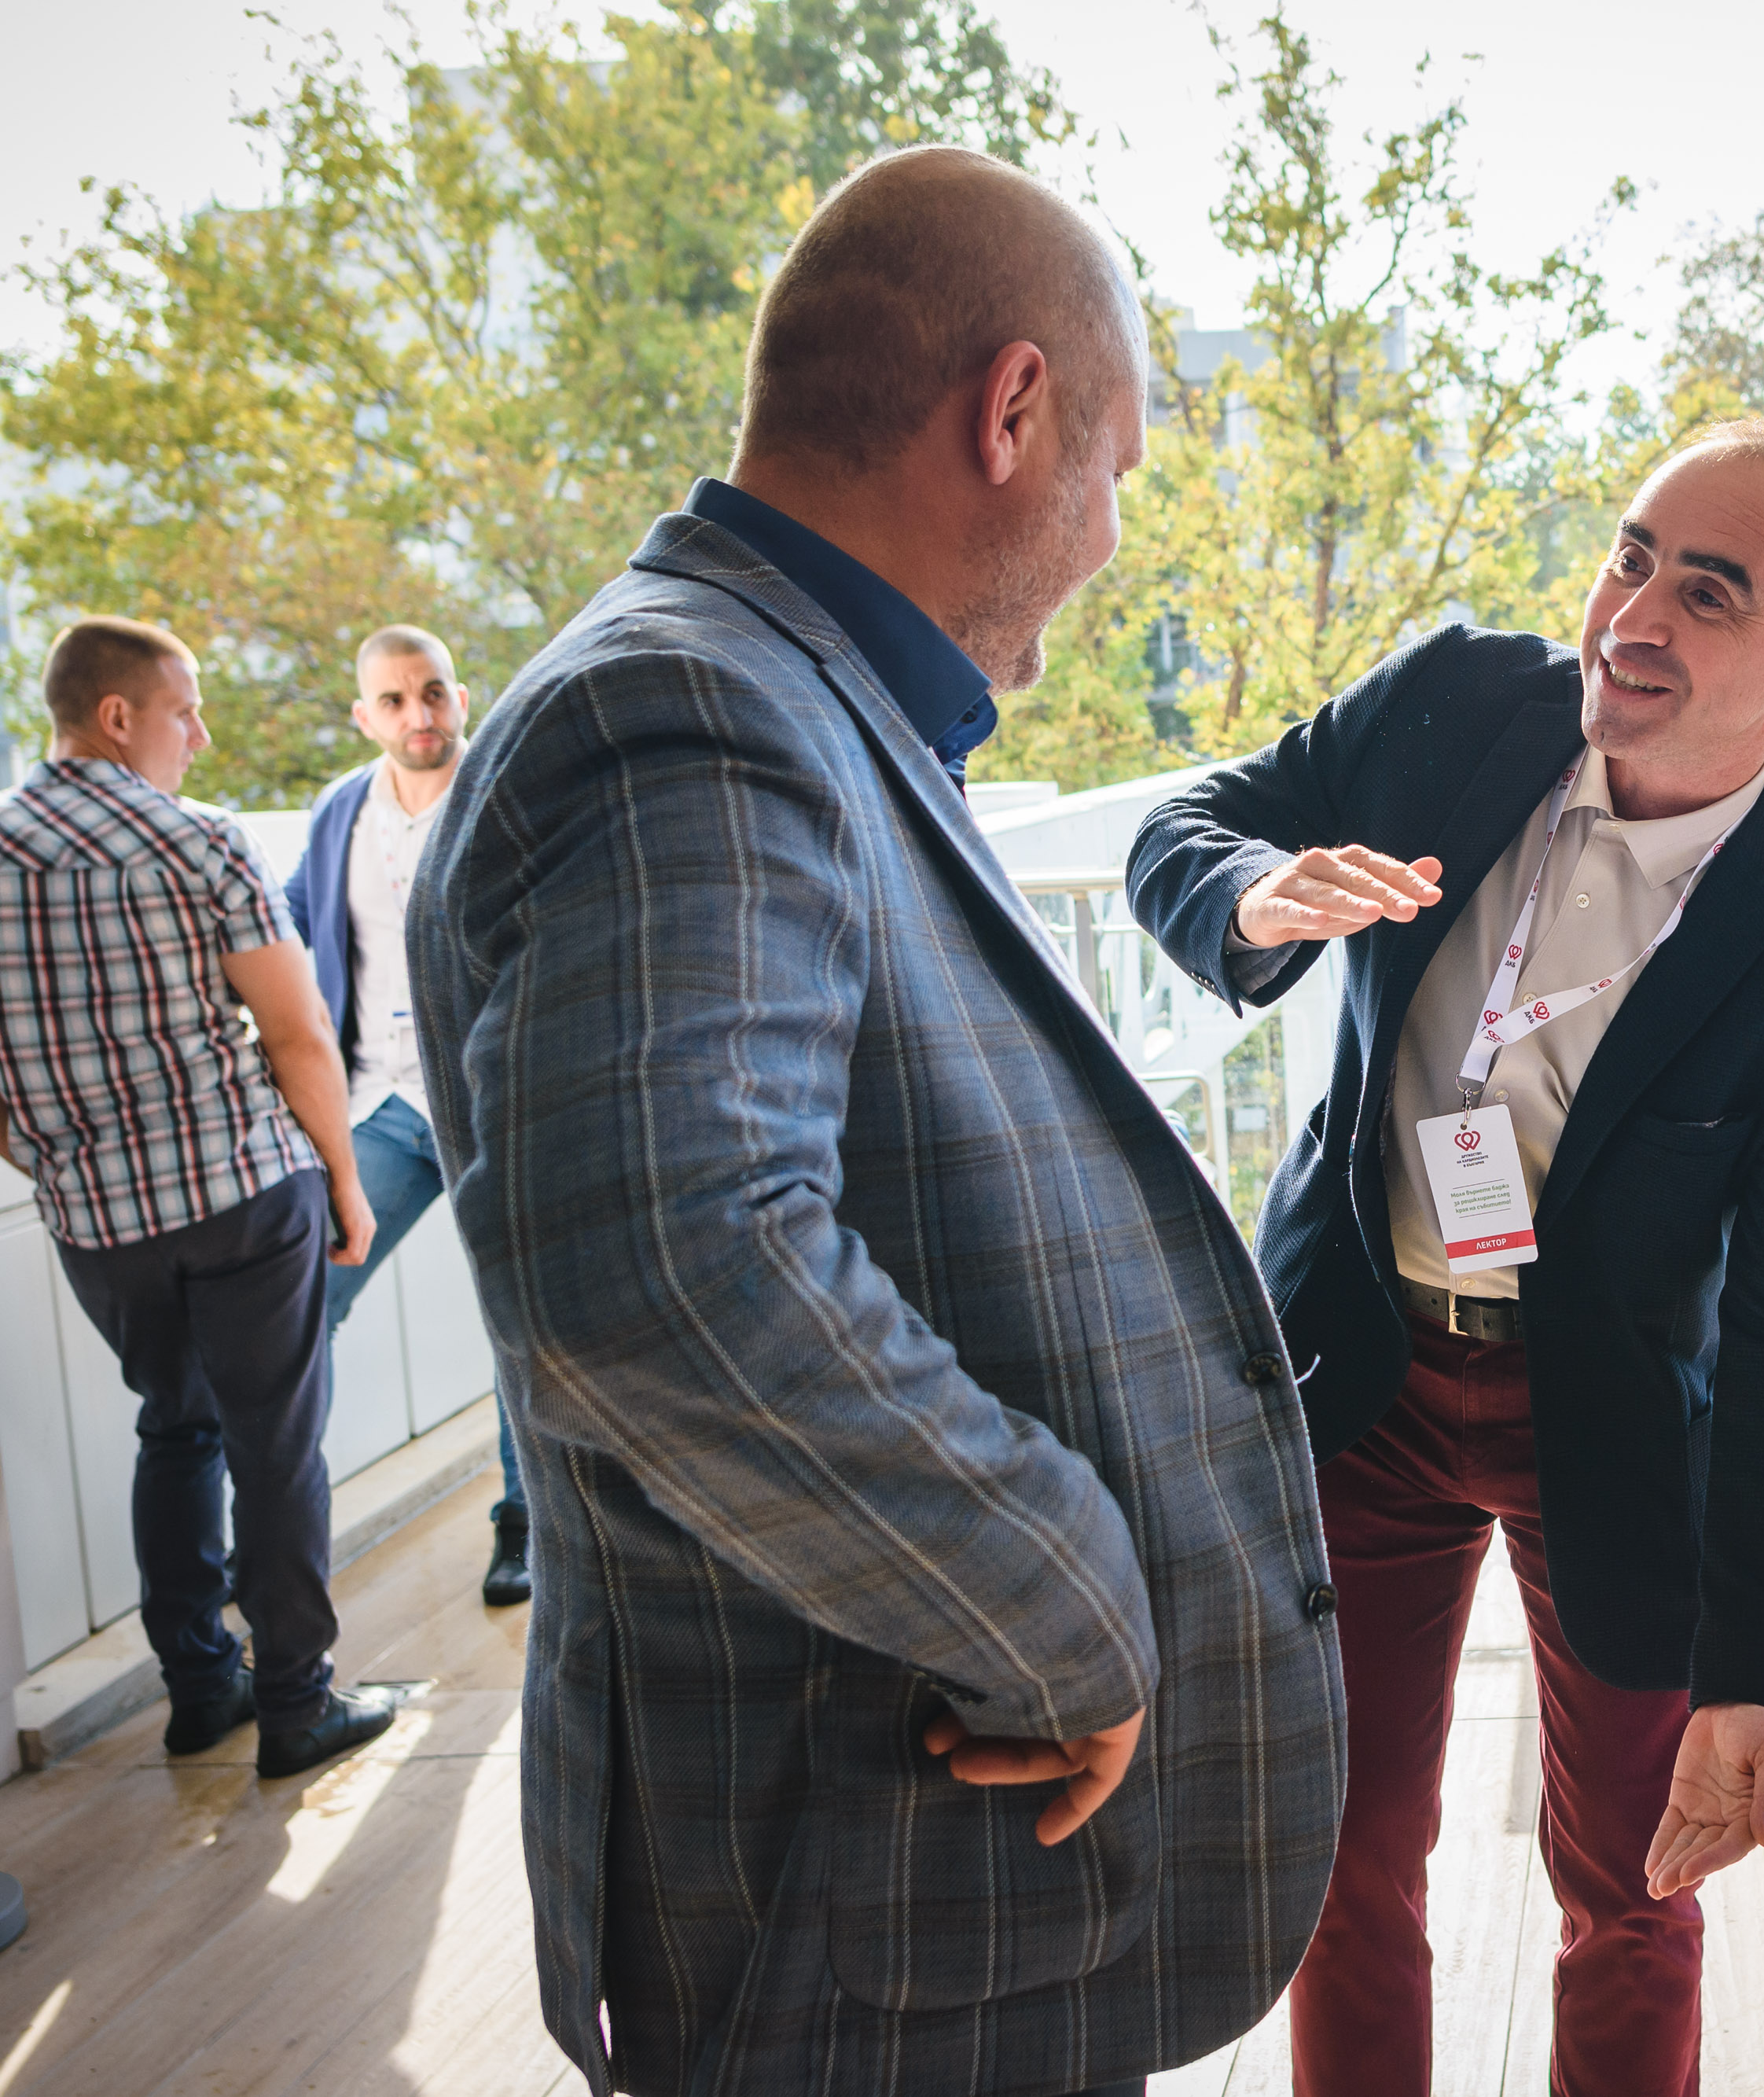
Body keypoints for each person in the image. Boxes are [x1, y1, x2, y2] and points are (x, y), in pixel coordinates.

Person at [406, 149, 1342, 2097]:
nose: (1107, 537)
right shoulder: (691, 713)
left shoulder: (777, 695)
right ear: (1012, 412)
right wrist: (1069, 1606)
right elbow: (664, 1271)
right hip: (856, 1915)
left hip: (905, 1902)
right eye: (1116, 470)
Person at [1130, 420, 1764, 2097]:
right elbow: (1187, 825)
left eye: (1708, 591)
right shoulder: (1461, 700)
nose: (1632, 614)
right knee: (1340, 1861)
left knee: (1634, 1888)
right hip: (1357, 1368)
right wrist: (1257, 894)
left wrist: (1758, 1676)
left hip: (1612, 1426)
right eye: (1630, 555)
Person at [0, 617, 399, 1780]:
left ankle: (198, 1689)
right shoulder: (198, 838)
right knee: (276, 1446)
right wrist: (343, 1176)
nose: (201, 736)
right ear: (117, 715)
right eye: (186, 710)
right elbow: (297, 1027)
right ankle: (297, 1703)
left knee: (173, 1430)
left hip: (99, 1226)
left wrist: (57, 1162)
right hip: (240, 1194)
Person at [286, 625, 527, 1606]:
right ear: (364, 715)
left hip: (492, 1100)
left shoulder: (505, 793)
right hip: (376, 1107)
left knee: (519, 1321)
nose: (417, 715)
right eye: (393, 700)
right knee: (304, 1301)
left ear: (460, 698)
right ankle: (277, 1540)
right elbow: (291, 929)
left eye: (432, 693)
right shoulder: (338, 810)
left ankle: (526, 1525)